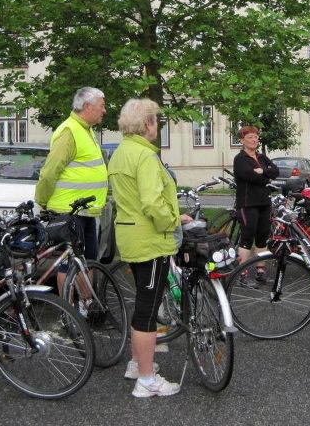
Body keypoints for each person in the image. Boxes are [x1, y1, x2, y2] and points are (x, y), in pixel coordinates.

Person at [108, 98, 192, 398]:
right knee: (148, 309)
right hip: (150, 239)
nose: (158, 124)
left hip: (131, 235)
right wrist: (173, 220)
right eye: (156, 119)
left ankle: (136, 364)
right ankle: (147, 380)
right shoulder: (145, 156)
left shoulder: (121, 153)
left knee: (143, 304)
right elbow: (151, 202)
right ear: (147, 124)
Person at [35, 87, 108, 296]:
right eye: (102, 106)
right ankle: (68, 312)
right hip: (69, 211)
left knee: (88, 261)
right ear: (87, 106)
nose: (104, 111)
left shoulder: (85, 129)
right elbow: (50, 171)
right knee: (69, 263)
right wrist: (42, 201)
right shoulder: (69, 131)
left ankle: (85, 306)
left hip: (85, 210)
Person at [232, 125, 279, 287]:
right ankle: (242, 274)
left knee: (262, 237)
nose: (254, 140)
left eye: (256, 137)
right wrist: (266, 177)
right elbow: (250, 176)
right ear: (242, 140)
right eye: (250, 137)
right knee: (247, 237)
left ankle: (261, 272)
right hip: (247, 203)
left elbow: (276, 171)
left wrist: (263, 170)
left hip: (264, 202)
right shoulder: (240, 159)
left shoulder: (261, 157)